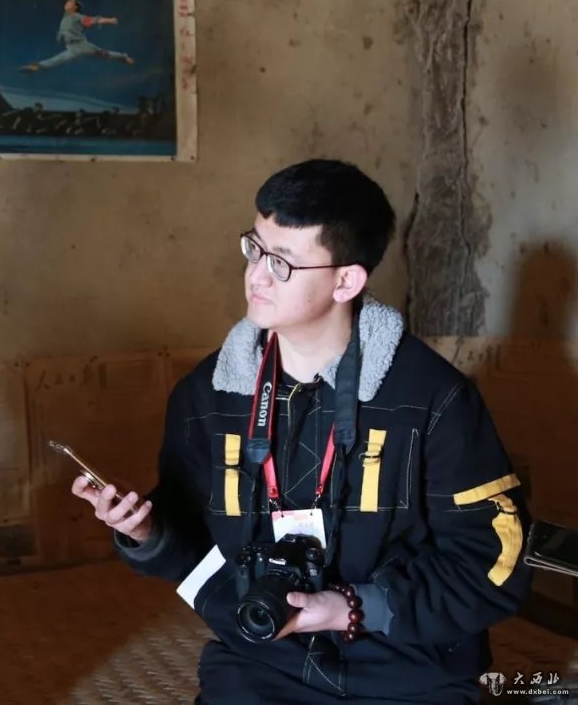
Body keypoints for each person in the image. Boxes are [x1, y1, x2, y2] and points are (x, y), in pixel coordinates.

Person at [71, 159, 531, 704]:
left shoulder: (432, 398)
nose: (256, 276)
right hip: (260, 661)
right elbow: (194, 548)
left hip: (408, 668)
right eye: (255, 248)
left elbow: (492, 564)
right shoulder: (209, 395)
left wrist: (351, 607)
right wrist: (147, 533)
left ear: (346, 280)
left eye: (282, 263)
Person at [21, 0, 135, 72]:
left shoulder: (76, 16)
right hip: (72, 46)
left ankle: (123, 57)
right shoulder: (66, 17)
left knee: (103, 54)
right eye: (67, 2)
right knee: (59, 59)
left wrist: (109, 20)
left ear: (75, 7)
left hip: (81, 45)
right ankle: (37, 66)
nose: (66, 3)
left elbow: (92, 20)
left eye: (70, 2)